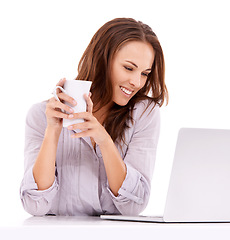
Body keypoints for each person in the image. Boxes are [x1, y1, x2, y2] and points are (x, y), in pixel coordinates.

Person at [20, 18, 168, 216]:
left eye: (145, 73)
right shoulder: (41, 116)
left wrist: (104, 141)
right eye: (129, 68)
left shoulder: (143, 114)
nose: (136, 82)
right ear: (102, 60)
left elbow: (134, 205)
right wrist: (53, 131)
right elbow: (34, 205)